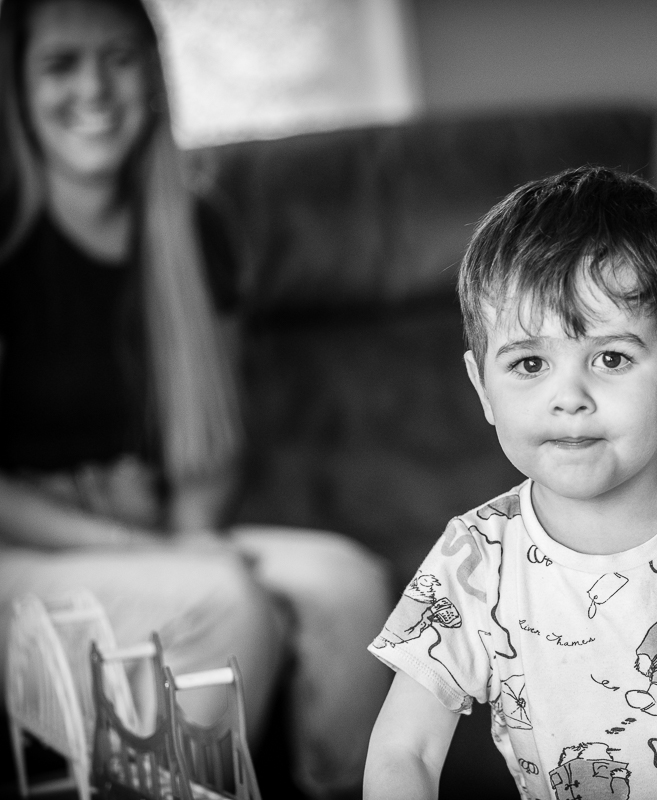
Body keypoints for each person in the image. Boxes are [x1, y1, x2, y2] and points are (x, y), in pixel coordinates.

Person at [0, 0, 391, 796]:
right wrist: (137, 551)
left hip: (153, 523)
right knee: (224, 602)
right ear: (16, 87)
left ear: (152, 75)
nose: (95, 89)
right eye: (62, 65)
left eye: (118, 58)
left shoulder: (196, 226)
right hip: (24, 543)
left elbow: (209, 440)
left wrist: (184, 536)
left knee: (353, 587)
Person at [364, 167, 657, 800]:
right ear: (483, 388)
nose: (570, 397)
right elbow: (404, 751)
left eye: (611, 358)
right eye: (529, 363)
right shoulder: (474, 557)